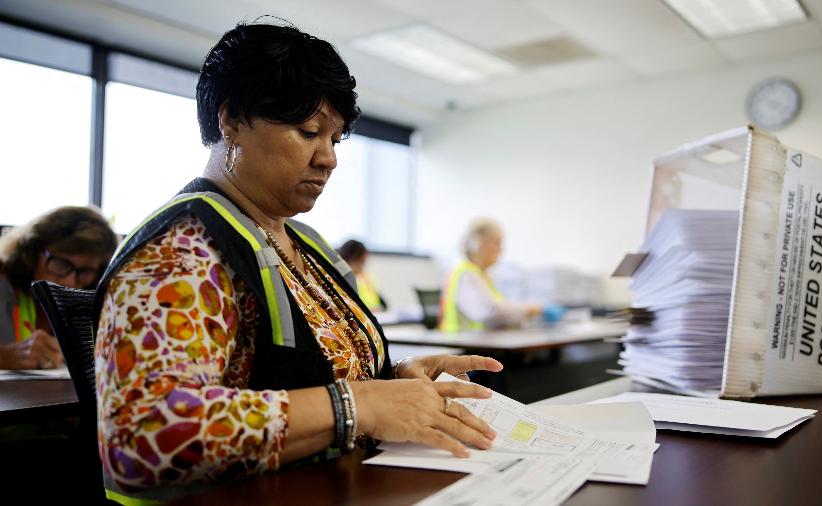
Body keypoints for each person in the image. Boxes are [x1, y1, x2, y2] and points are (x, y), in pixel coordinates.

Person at [93, 21, 502, 503]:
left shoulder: (301, 242)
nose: (328, 158)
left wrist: (393, 382)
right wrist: (359, 403)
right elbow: (142, 437)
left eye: (335, 138)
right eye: (308, 131)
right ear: (231, 121)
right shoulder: (183, 251)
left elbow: (306, 377)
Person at [0, 206, 117, 370]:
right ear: (33, 251)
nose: (70, 282)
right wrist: (5, 357)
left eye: (85, 271)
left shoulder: (98, 311)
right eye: (61, 264)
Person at [439, 218, 541, 332]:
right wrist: (526, 309)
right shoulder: (465, 275)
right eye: (496, 243)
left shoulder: (484, 276)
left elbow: (499, 307)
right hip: (464, 344)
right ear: (478, 244)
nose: (501, 249)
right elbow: (487, 312)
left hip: (482, 343)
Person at [337, 239, 387, 311]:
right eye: (361, 262)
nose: (362, 266)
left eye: (363, 262)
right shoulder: (340, 278)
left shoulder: (366, 277)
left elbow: (384, 304)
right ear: (349, 259)